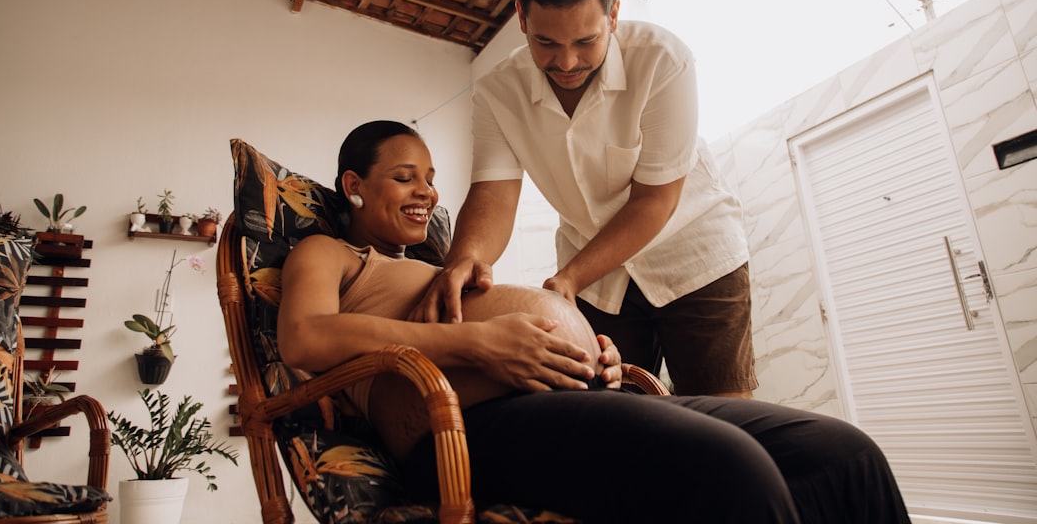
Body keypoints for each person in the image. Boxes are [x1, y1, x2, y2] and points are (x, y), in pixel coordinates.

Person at [278, 120, 911, 523]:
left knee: (839, 454)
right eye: (404, 178)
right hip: (460, 434)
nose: (427, 193)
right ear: (354, 185)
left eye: (431, 179)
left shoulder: (436, 263)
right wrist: (477, 342)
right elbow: (304, 336)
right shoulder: (326, 253)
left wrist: (584, 353)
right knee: (730, 469)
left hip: (573, 397)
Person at [414, 0, 755, 398]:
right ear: (521, 18)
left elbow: (655, 200)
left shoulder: (663, 60)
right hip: (598, 283)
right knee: (612, 421)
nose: (567, 61)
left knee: (724, 414)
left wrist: (570, 277)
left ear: (613, 15)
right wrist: (466, 259)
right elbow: (493, 192)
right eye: (546, 42)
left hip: (691, 254)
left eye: (586, 40)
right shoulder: (498, 92)